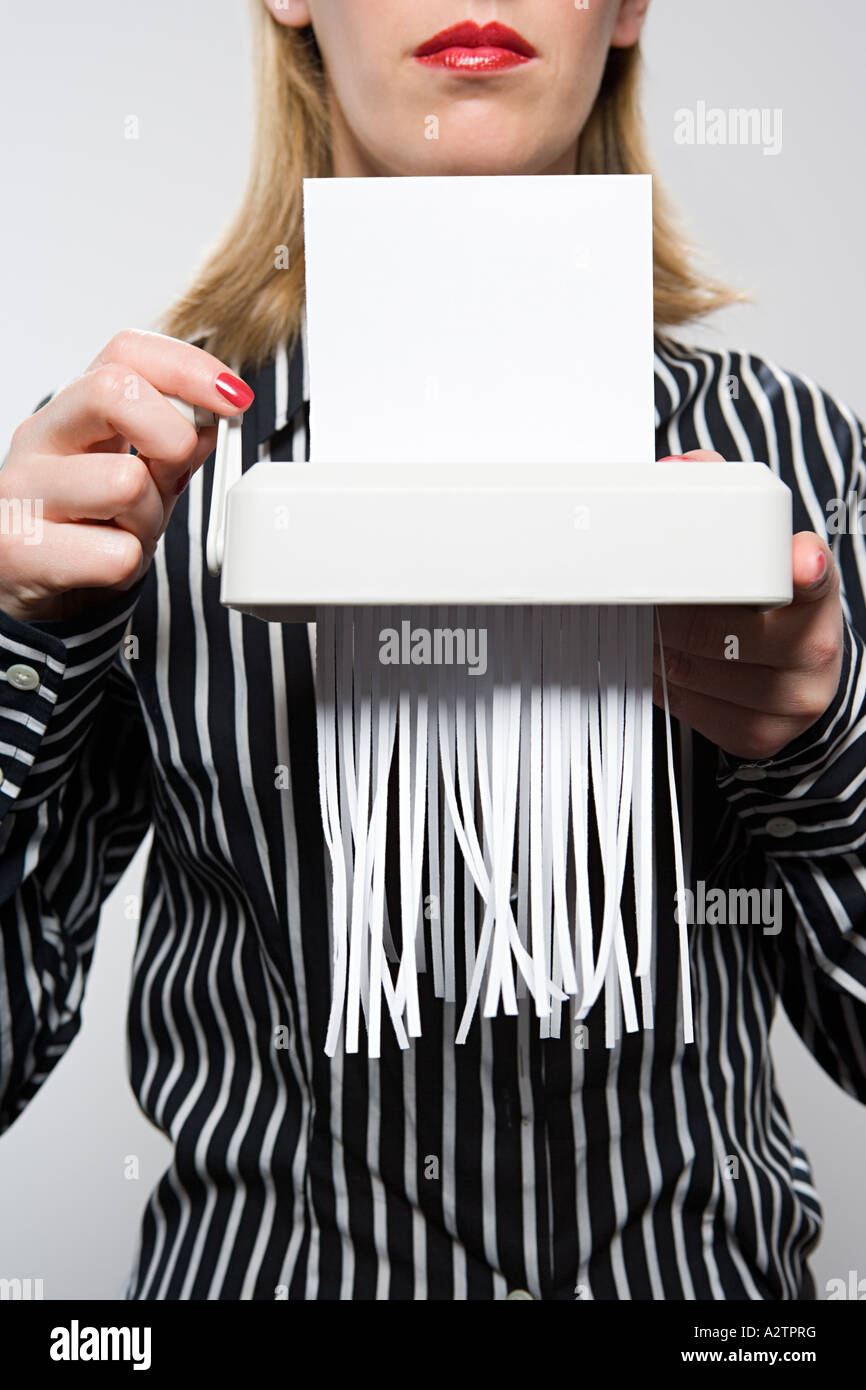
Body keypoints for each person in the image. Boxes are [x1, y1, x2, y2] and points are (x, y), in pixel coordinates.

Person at [0, 0, 863, 1301]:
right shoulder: (118, 473)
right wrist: (19, 652)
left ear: (627, 6)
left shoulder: (794, 457)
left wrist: (818, 744)